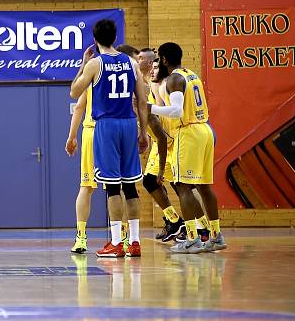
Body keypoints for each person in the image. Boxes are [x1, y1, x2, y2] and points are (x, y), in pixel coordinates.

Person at [70, 19, 149, 258]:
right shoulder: (131, 63)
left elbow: (74, 92)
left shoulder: (95, 64)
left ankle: (116, 242)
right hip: (128, 123)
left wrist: (83, 65)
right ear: (115, 38)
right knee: (131, 186)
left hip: (106, 126)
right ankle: (134, 241)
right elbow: (142, 101)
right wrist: (143, 132)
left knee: (112, 187)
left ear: (95, 39)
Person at [152, 42, 226, 253]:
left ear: (165, 59)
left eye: (159, 59)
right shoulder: (190, 74)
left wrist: (150, 108)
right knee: (204, 186)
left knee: (183, 186)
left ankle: (192, 238)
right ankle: (216, 236)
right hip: (205, 130)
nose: (158, 62)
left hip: (189, 132)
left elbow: (176, 111)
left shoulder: (174, 78)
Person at [118, 45, 186, 242]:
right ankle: (175, 221)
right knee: (152, 182)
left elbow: (159, 120)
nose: (137, 61)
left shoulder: (153, 85)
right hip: (161, 139)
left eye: (140, 58)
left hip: (170, 138)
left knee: (179, 185)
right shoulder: (144, 83)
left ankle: (198, 228)